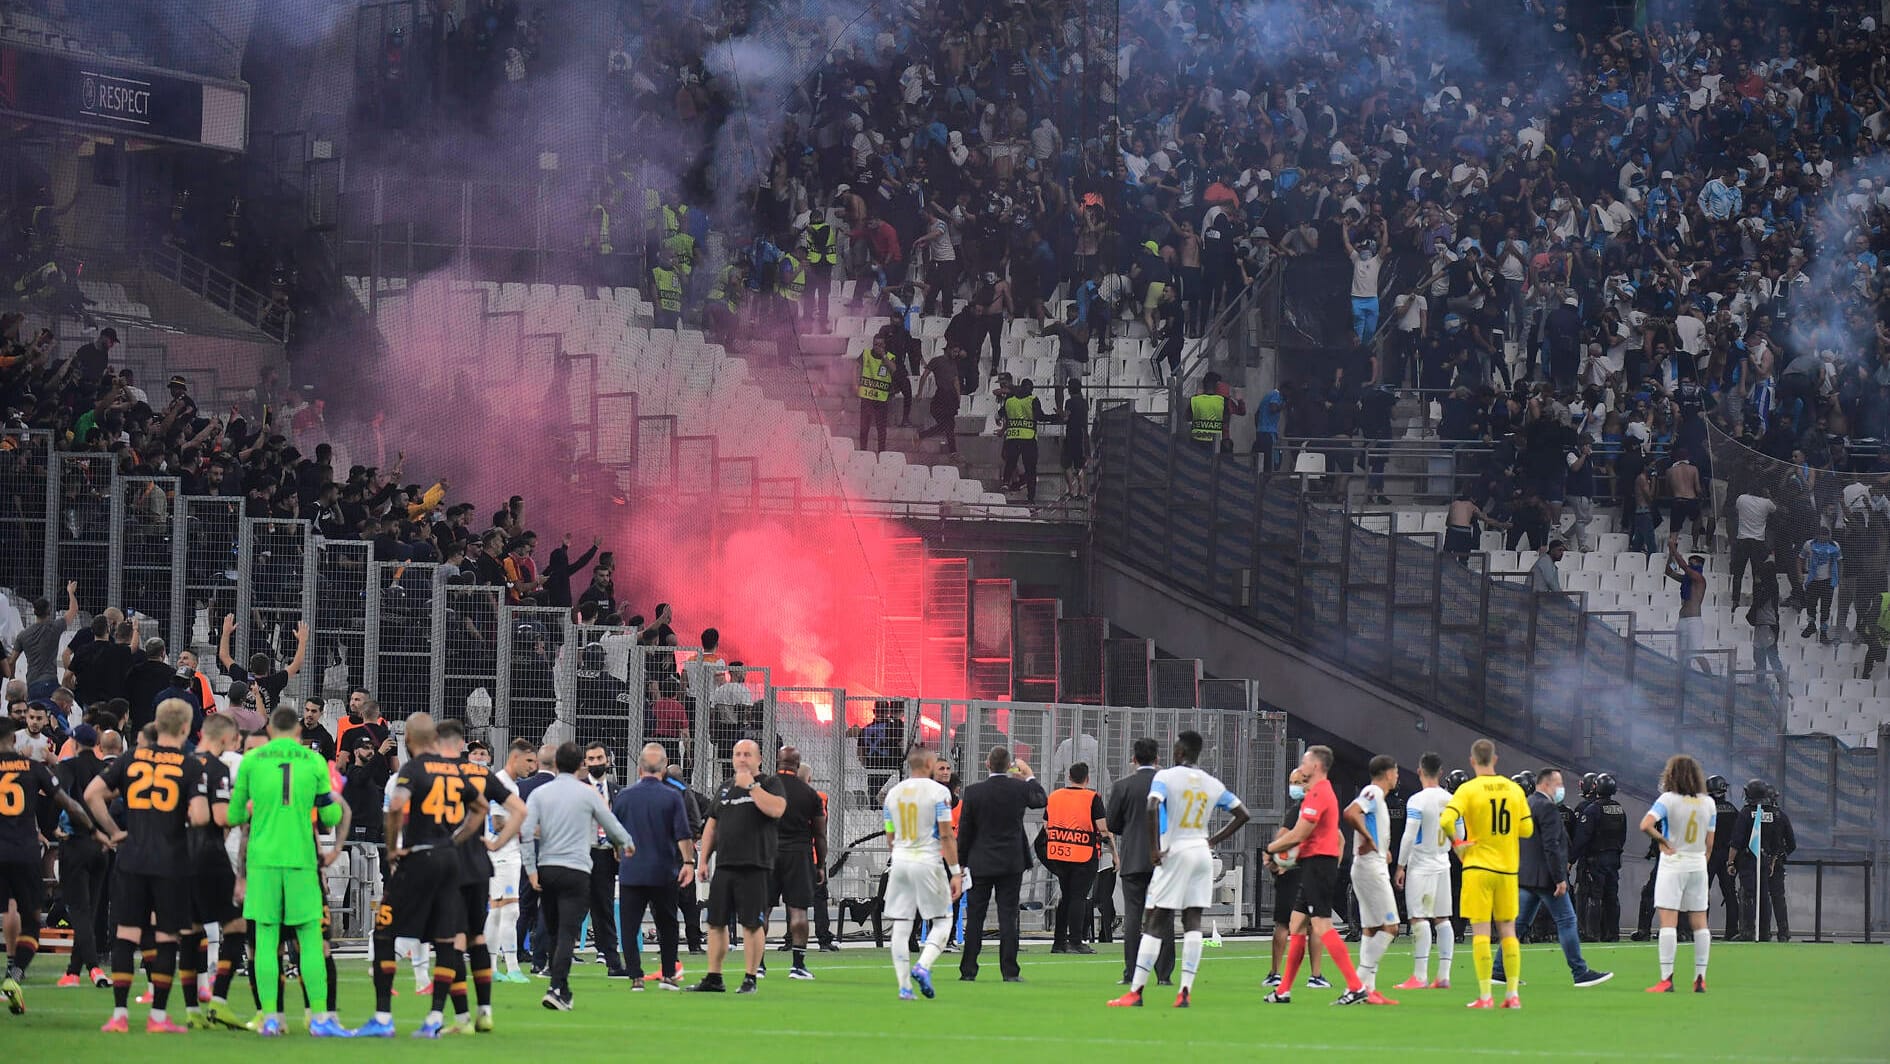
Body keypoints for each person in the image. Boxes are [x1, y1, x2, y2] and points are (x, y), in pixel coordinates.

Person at [83, 699, 210, 1034]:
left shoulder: (130, 758)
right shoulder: (190, 764)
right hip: (172, 861)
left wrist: (113, 832)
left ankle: (120, 1016)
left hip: (132, 857)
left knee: (126, 935)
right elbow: (199, 817)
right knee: (167, 937)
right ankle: (157, 1018)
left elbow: (92, 794)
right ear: (185, 728)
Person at [362, 715, 490, 1035]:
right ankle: (435, 1017)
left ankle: (382, 1017)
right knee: (446, 938)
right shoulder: (456, 768)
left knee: (385, 932)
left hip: (419, 857)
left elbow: (395, 808)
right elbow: (481, 808)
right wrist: (454, 840)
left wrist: (392, 848)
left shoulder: (413, 769)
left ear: (408, 739)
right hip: (450, 860)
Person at [1106, 730, 1249, 1008]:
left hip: (1177, 850)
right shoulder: (1211, 782)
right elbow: (1243, 813)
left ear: (1180, 752)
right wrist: (1212, 840)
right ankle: (1184, 990)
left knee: (1155, 920)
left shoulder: (1166, 777)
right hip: (1201, 853)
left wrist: (1153, 849)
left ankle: (1135, 991)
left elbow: (1152, 805)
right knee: (1192, 921)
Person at [518, 740, 633, 1012]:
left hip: (547, 868)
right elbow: (612, 825)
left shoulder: (541, 794)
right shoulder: (588, 794)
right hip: (577, 868)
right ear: (581, 764)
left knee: (554, 926)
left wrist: (531, 869)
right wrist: (626, 842)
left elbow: (524, 832)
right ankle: (557, 986)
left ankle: (559, 985)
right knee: (569, 930)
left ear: (556, 764)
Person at [0, 717, 95, 1015]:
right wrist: (94, 830)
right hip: (25, 852)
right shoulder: (33, 768)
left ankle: (11, 975)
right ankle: (14, 977)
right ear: (14, 741)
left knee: (6, 910)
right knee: (31, 922)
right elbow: (70, 805)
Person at [1261, 745, 1368, 1005]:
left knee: (1321, 925)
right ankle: (1283, 990)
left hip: (1319, 865)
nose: (1302, 766)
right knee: (1297, 924)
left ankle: (1355, 986)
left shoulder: (1320, 793)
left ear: (1317, 766)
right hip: (1314, 863)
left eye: (1305, 762)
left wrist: (1271, 849)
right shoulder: (1316, 792)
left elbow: (1299, 833)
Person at [439, 721, 527, 1032]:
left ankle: (460, 1017)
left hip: (445, 864)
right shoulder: (479, 774)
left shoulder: (433, 772)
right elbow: (520, 811)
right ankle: (485, 1011)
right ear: (462, 744)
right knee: (476, 936)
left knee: (450, 940)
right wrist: (497, 843)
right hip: (479, 862)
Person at [1492, 768, 1611, 988]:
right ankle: (1580, 972)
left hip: (1527, 875)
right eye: (1558, 783)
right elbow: (1552, 845)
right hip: (1546, 877)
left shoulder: (1526, 804)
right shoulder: (1547, 807)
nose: (1561, 788)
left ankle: (1499, 971)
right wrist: (1559, 877)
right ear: (1546, 784)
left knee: (1518, 925)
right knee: (1567, 920)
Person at [1442, 738, 1533, 1010]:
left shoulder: (1468, 789)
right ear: (1495, 759)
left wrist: (1459, 846)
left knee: (1480, 931)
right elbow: (1527, 830)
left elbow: (1447, 820)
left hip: (1478, 867)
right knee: (1508, 930)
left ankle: (1485, 996)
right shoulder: (1514, 789)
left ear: (1472, 761)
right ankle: (1513, 995)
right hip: (1507, 869)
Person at [690, 739, 786, 994]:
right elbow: (712, 825)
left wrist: (752, 787)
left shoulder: (769, 783)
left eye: (747, 754)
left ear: (759, 759)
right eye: (737, 754)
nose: (742, 759)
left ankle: (750, 978)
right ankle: (714, 976)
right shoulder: (725, 788)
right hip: (725, 865)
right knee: (715, 922)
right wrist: (702, 860)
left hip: (755, 864)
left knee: (752, 924)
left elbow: (777, 810)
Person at [955, 746, 1047, 982]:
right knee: (1008, 916)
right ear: (1009, 766)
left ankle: (968, 970)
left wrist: (961, 864)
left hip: (980, 861)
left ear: (987, 764)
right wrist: (1029, 776)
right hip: (1010, 862)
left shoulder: (974, 792)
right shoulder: (1019, 788)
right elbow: (1041, 800)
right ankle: (1010, 971)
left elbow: (965, 831)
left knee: (975, 916)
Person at [610, 743, 696, 990]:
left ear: (639, 769)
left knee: (629, 924)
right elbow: (682, 834)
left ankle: (636, 976)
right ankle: (669, 974)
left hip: (632, 871)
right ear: (663, 768)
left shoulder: (624, 796)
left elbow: (615, 832)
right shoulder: (672, 796)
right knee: (667, 923)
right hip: (663, 870)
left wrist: (619, 853)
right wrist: (688, 862)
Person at [881, 746, 964, 1000]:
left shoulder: (892, 795)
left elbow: (891, 835)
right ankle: (923, 965)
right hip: (927, 860)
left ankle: (904, 987)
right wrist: (955, 872)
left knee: (902, 924)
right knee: (943, 920)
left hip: (900, 862)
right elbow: (947, 834)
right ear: (929, 764)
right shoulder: (939, 793)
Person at [1640, 755, 1716, 994]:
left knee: (1668, 922)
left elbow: (1645, 825)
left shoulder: (1668, 800)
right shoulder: (1708, 803)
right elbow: (1710, 842)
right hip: (1697, 864)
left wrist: (1662, 840)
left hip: (1673, 863)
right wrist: (1701, 860)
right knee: (1700, 922)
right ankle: (1700, 978)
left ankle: (1667, 978)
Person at [1107, 738, 1172, 986]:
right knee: (1162, 915)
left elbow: (1112, 823)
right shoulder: (1167, 786)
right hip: (1163, 859)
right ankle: (1164, 974)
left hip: (1133, 857)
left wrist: (1131, 829)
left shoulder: (1123, 785)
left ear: (1133, 759)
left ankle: (1132, 973)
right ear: (1157, 759)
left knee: (1133, 916)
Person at [1341, 755, 1403, 1004]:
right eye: (1396, 772)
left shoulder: (1379, 799)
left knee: (1371, 929)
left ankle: (1369, 988)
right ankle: (1356, 985)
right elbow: (1351, 812)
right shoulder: (1372, 792)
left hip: (1368, 866)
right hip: (1370, 869)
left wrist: (1381, 847)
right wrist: (1369, 839)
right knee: (1391, 927)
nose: (1397, 777)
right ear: (1388, 773)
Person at [1394, 753, 1455, 991]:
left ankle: (1420, 976)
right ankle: (1444, 975)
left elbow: (1410, 835)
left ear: (1419, 771)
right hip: (1444, 864)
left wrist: (1401, 865)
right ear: (1441, 773)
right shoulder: (1451, 800)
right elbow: (1459, 836)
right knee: (1442, 918)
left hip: (1421, 865)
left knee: (1418, 918)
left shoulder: (1417, 801)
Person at [1264, 768, 1328, 989]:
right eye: (1291, 781)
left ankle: (1276, 973)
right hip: (1307, 873)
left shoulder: (1299, 811)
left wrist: (1274, 859)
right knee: (1309, 924)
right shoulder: (1315, 808)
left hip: (1295, 873)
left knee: (1286, 924)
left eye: (1298, 782)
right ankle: (1315, 976)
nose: (1294, 786)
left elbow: (1283, 838)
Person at [768, 746, 826, 980]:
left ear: (777, 761)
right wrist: (820, 864)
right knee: (798, 911)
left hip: (768, 853)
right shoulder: (810, 793)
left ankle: (758, 964)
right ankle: (798, 965)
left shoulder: (765, 787)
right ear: (798, 763)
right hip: (799, 854)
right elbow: (820, 834)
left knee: (763, 909)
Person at [483, 740, 535, 981]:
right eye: (529, 761)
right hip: (503, 855)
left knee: (497, 912)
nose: (532, 767)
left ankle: (491, 967)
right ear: (515, 758)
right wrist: (529, 828)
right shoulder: (503, 785)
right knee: (510, 911)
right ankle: (512, 966)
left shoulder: (506, 783)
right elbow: (497, 822)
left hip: (503, 854)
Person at [1045, 762, 1110, 955]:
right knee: (1078, 897)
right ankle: (1075, 940)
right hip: (1083, 854)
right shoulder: (1092, 798)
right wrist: (1112, 849)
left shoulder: (1054, 796)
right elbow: (1103, 828)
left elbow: (1045, 824)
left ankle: (1058, 942)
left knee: (1066, 896)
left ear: (1069, 777)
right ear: (1087, 778)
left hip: (1059, 852)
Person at [578, 743, 628, 977]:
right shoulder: (577, 789)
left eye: (600, 757)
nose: (596, 762)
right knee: (572, 907)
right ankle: (550, 957)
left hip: (606, 854)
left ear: (608, 760)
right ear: (585, 762)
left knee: (604, 908)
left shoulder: (617, 791)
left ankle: (611, 960)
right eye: (591, 758)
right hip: (581, 853)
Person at [1728, 780, 1794, 942]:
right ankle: (1766, 932)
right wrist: (1774, 859)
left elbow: (1736, 840)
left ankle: (1748, 931)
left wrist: (1730, 862)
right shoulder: (1776, 814)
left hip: (1748, 860)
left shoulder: (1746, 812)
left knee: (1748, 895)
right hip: (1768, 861)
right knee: (1766, 897)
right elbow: (1787, 843)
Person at [1572, 771, 1627, 942]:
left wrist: (1571, 858)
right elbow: (1623, 836)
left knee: (1593, 896)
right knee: (1612, 896)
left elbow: (1582, 837)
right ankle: (1612, 933)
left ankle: (1592, 933)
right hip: (1614, 858)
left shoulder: (1592, 810)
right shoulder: (1619, 809)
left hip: (1595, 860)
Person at [1665, 536, 1711, 672]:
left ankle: (1711, 680)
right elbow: (1669, 571)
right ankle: (1684, 683)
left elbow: (1684, 567)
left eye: (1693, 563)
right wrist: (1671, 553)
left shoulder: (1699, 579)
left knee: (1696, 654)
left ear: (1699, 565)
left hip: (1693, 621)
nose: (1690, 565)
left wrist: (1674, 550)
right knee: (1682, 657)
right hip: (1682, 620)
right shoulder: (1686, 579)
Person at [1705, 775, 1742, 940]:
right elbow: (1739, 834)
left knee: (1701, 893)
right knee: (1730, 894)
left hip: (1708, 855)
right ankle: (1732, 931)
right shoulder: (1733, 809)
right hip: (1727, 856)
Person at [1799, 525, 1841, 642]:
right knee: (1811, 604)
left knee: (1825, 608)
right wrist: (1800, 573)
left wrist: (1839, 578)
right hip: (1813, 580)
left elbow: (1840, 561)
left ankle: (1823, 632)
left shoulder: (1834, 545)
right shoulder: (1809, 544)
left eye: (1825, 537)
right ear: (1817, 536)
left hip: (1827, 580)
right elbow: (1800, 558)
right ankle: (1811, 625)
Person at [858, 331, 895, 453]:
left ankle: (882, 453)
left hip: (881, 399)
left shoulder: (889, 356)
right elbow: (857, 367)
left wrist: (884, 356)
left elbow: (894, 369)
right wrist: (855, 384)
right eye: (875, 344)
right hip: (867, 397)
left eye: (880, 345)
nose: (877, 347)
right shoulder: (866, 354)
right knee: (864, 428)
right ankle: (863, 451)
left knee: (881, 429)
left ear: (884, 346)